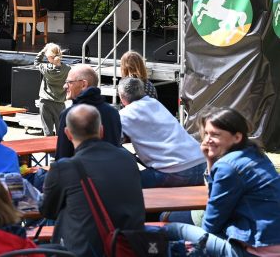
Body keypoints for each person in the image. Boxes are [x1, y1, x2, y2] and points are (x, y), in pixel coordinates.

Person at [163, 108, 280, 257]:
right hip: (270, 240)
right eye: (206, 133)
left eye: (215, 134)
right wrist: (210, 159)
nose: (207, 140)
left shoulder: (228, 166)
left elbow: (210, 225)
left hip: (256, 250)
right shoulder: (256, 154)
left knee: (171, 228)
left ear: (237, 137)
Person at [40, 104, 145, 257]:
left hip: (85, 251)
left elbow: (47, 211)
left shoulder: (64, 168)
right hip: (128, 246)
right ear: (101, 131)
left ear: (68, 134)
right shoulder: (127, 159)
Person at [117, 77, 205, 188]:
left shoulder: (124, 114)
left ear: (122, 97)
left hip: (175, 171)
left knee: (122, 184)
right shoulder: (155, 103)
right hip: (201, 164)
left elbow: (113, 139)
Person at [55, 64, 121, 160]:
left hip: (80, 173)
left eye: (69, 82)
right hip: (111, 173)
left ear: (83, 84)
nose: (65, 86)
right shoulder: (113, 112)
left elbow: (62, 156)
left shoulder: (70, 114)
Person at [35, 42, 70, 136]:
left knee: (47, 132)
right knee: (61, 133)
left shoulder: (45, 69)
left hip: (45, 102)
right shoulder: (67, 69)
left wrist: (43, 50)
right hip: (60, 103)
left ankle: (49, 151)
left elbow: (36, 62)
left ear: (50, 57)